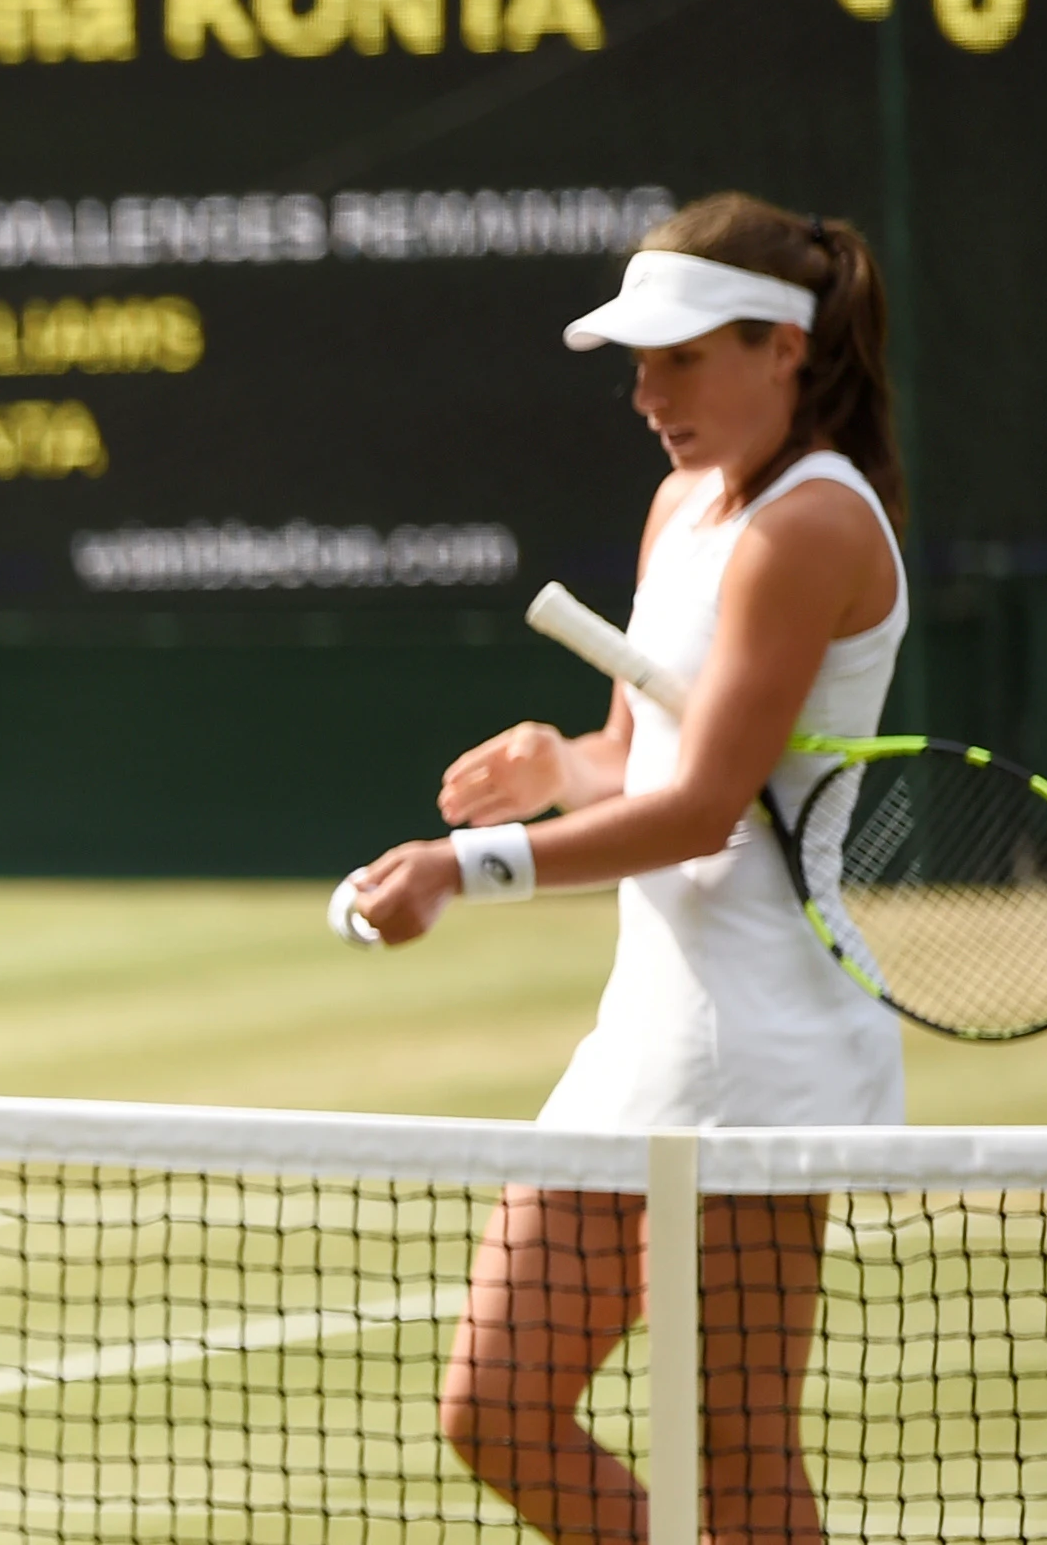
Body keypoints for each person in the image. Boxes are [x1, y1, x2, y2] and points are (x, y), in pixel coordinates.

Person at [349, 191, 906, 1545]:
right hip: (644, 1028)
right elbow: (637, 756)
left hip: (763, 1051)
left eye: (678, 358)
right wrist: (557, 761)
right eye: (638, 362)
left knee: (733, 1461)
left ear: (783, 347)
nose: (646, 392)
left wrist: (460, 865)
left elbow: (704, 807)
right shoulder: (683, 503)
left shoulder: (808, 529)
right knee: (495, 1404)